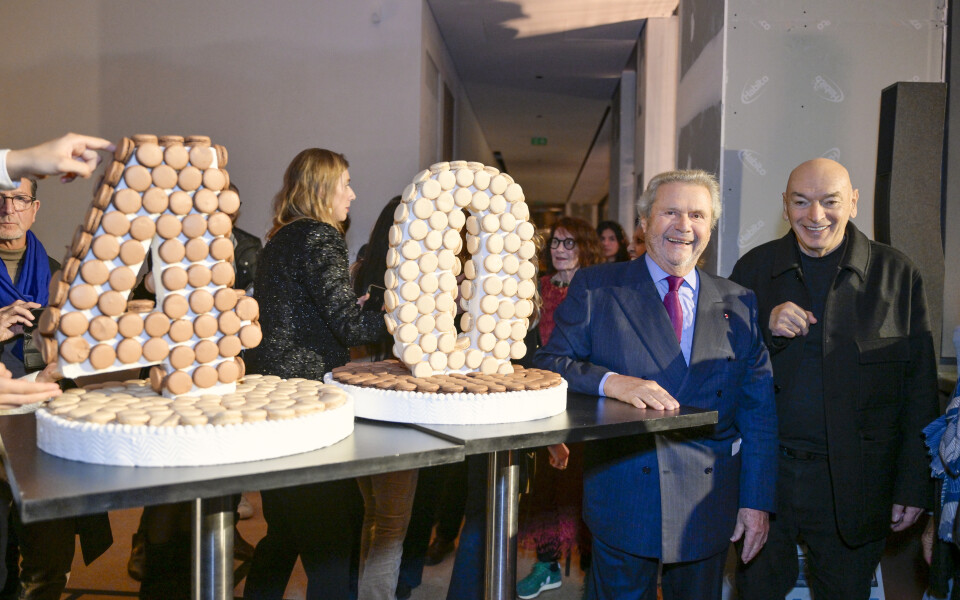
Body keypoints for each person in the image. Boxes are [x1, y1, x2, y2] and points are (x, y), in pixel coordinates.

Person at [534, 169, 777, 600]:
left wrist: (756, 502)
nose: (684, 226)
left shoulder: (740, 302)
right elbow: (550, 364)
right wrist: (611, 382)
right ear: (644, 222)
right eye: (671, 212)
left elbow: (759, 413)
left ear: (710, 227)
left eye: (697, 215)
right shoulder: (599, 287)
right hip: (625, 492)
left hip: (708, 500)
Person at [730, 158, 939, 599]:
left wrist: (915, 484)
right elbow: (719, 371)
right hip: (768, 477)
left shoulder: (898, 276)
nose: (815, 216)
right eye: (801, 202)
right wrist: (760, 327)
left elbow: (919, 392)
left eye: (830, 202)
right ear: (785, 206)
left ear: (855, 203)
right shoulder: (752, 270)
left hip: (860, 483)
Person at [244, 148, 385, 600]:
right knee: (334, 532)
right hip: (304, 401)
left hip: (271, 393)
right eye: (345, 184)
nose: (352, 194)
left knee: (284, 531)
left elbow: (308, 311)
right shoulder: (321, 236)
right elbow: (349, 326)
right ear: (323, 189)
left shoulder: (280, 237)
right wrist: (408, 316)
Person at [517, 217, 602, 599]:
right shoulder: (537, 288)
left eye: (569, 243)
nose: (560, 250)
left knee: (585, 486)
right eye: (555, 243)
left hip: (586, 399)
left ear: (584, 247)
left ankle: (594, 567)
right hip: (543, 393)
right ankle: (547, 564)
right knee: (546, 487)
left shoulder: (597, 289)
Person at [351, 195, 419, 600]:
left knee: (373, 513)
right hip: (397, 406)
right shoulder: (416, 278)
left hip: (360, 404)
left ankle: (366, 590)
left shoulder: (361, 273)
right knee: (392, 523)